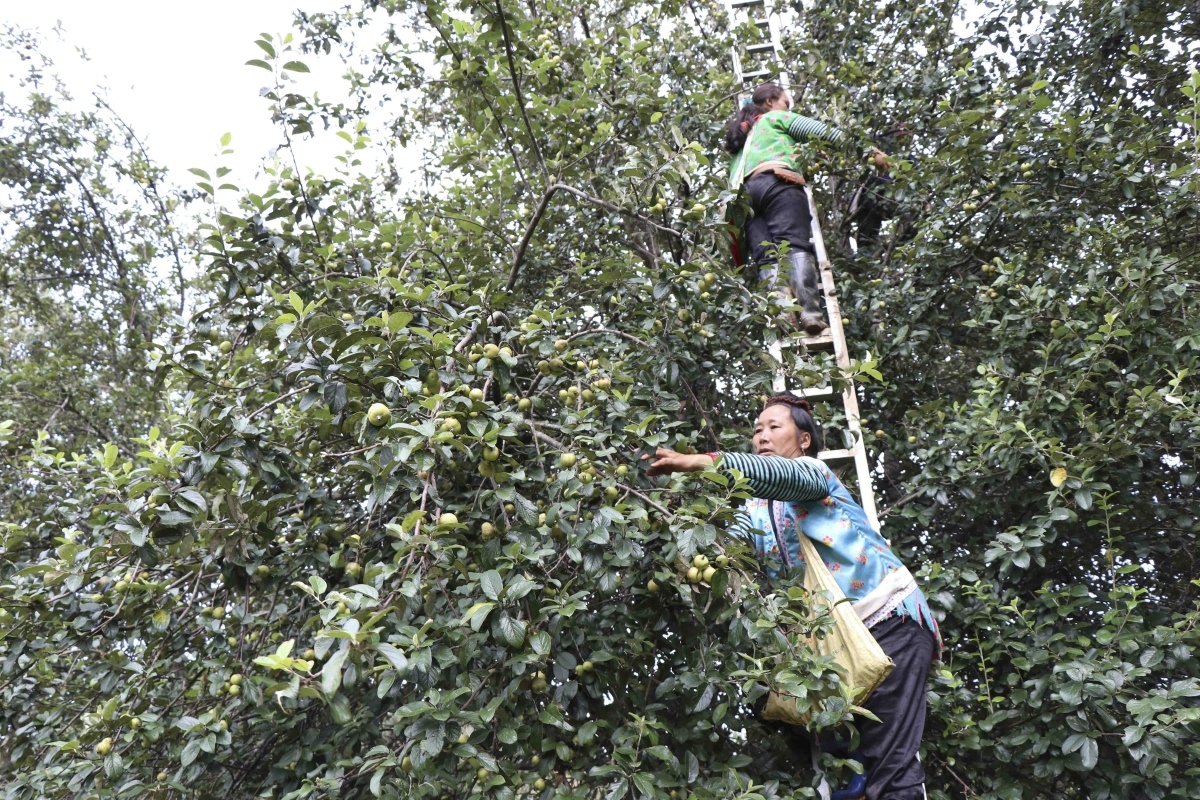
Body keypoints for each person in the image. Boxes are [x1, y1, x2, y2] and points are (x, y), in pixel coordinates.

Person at [642, 394, 941, 800]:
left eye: (773, 427)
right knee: (843, 765)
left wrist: (701, 462)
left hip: (886, 623)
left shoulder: (813, 474)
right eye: (756, 430)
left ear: (804, 440)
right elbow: (726, 557)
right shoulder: (753, 509)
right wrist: (669, 525)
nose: (761, 436)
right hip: (829, 648)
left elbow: (781, 477)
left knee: (892, 764)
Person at [726, 83, 890, 334]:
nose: (787, 108)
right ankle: (810, 314)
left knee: (768, 259)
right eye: (785, 103)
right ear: (770, 102)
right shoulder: (776, 118)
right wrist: (871, 152)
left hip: (744, 198)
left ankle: (781, 315)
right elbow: (825, 132)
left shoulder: (742, 139)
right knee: (793, 246)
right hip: (777, 182)